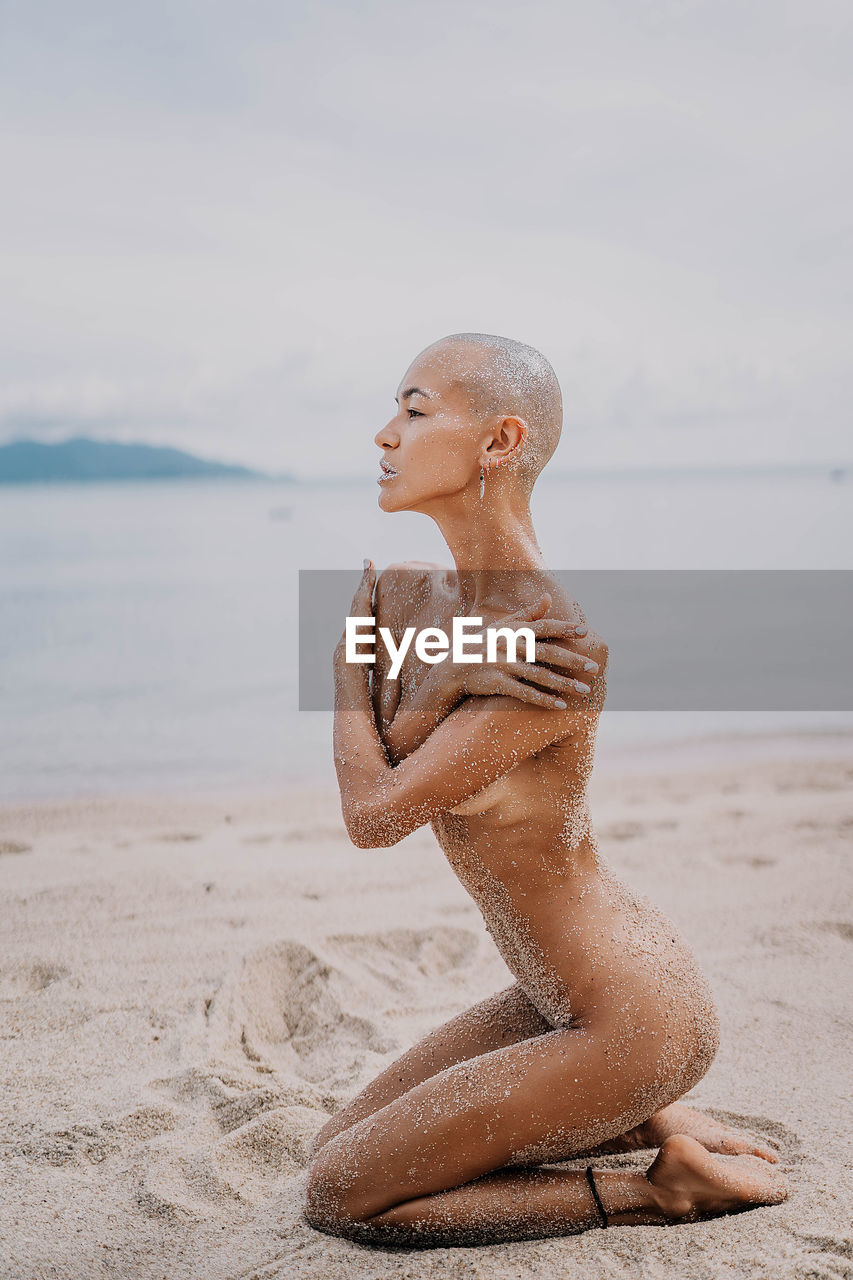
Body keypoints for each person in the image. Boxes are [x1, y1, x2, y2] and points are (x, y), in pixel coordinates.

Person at [303, 333, 788, 1248]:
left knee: (340, 1195)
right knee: (340, 1144)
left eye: (413, 411)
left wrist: (344, 671)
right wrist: (443, 678)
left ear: (497, 442)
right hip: (552, 994)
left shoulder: (552, 643)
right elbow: (402, 745)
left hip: (630, 1014)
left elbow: (374, 812)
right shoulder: (407, 596)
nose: (383, 435)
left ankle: (657, 1187)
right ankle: (652, 1117)